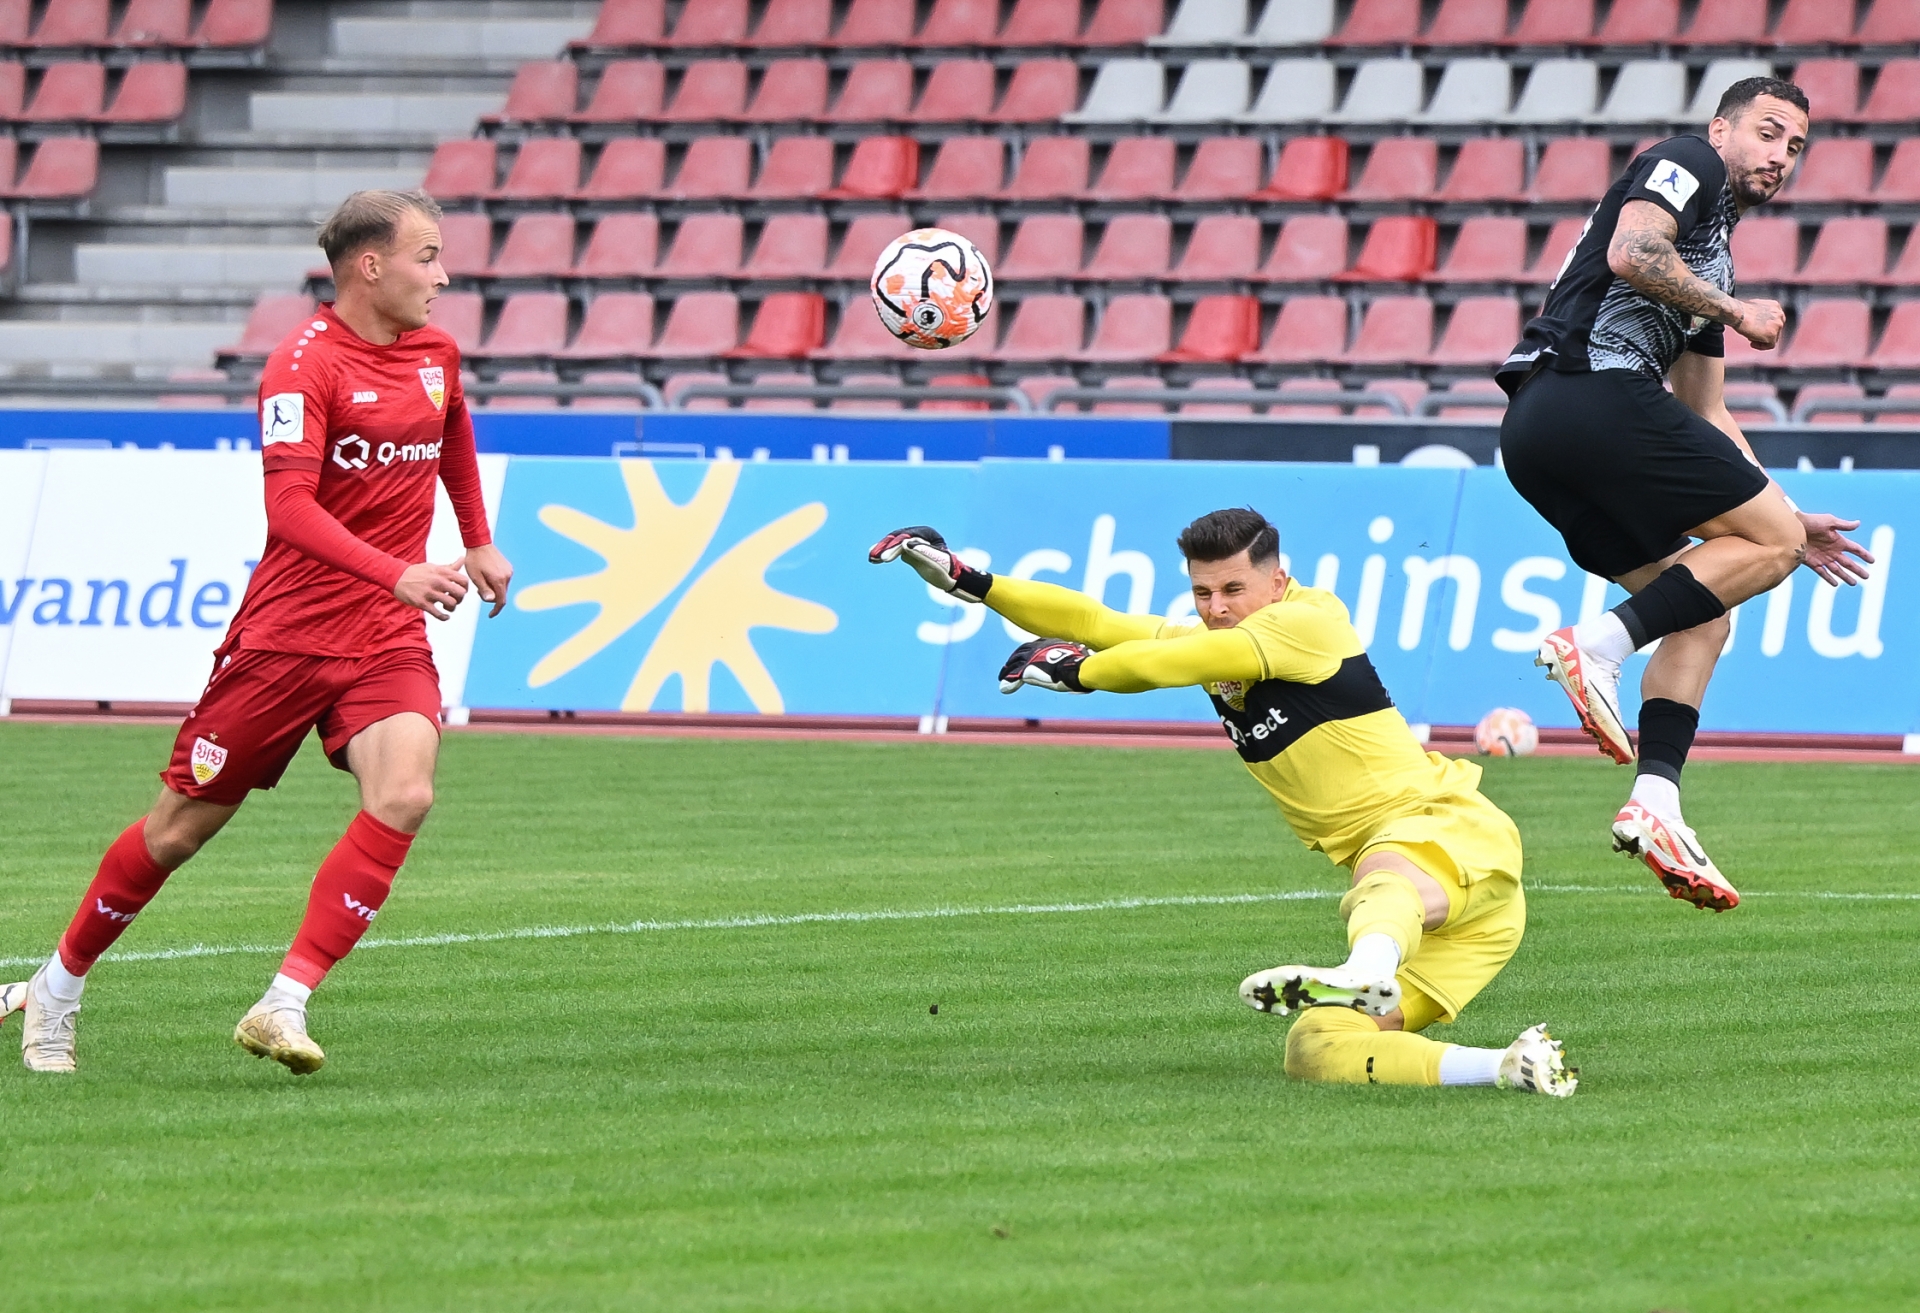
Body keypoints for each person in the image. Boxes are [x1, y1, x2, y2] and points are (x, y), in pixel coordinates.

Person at [2, 190, 511, 1075]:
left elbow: (451, 425)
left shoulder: (436, 353)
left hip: (386, 634)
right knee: (177, 831)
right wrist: (398, 568)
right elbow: (288, 509)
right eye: (428, 255)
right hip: (287, 639)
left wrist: (476, 538)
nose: (445, 274)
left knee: (406, 792)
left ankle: (284, 1001)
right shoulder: (301, 365)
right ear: (371, 265)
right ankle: (56, 986)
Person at [870, 513, 1577, 1097]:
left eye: (1233, 588)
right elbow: (1094, 616)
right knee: (1318, 1046)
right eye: (1203, 593)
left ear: (1279, 578)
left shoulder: (1306, 621)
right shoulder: (1222, 640)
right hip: (1474, 923)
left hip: (1446, 827)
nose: (1216, 608)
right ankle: (1508, 1065)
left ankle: (1369, 968)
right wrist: (974, 582)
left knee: (1382, 873)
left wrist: (1079, 671)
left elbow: (1152, 665)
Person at [1495, 77, 1872, 912]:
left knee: (1706, 611)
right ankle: (1595, 645)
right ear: (1721, 130)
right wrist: (1738, 312)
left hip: (1539, 437)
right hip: (1587, 390)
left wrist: (1782, 511)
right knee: (1763, 547)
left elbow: (1707, 411)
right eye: (1769, 133)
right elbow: (1634, 252)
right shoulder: (1685, 161)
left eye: (1796, 147)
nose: (1781, 156)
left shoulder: (1711, 256)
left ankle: (1656, 800)